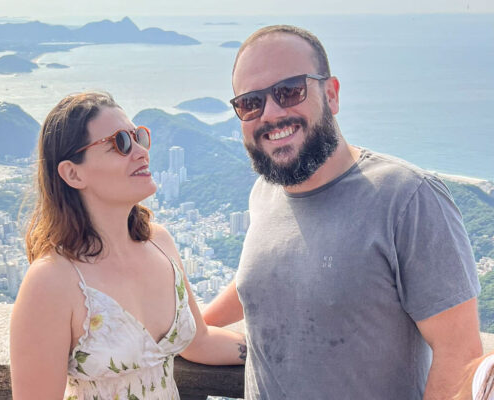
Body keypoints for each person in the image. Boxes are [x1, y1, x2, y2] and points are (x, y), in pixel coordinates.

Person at [202, 25, 483, 399]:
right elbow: (266, 276)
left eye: (289, 91)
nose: (270, 113)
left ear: (331, 95)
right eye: (251, 102)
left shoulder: (409, 199)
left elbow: (460, 357)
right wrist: (187, 324)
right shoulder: (264, 194)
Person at [9, 91, 245, 400]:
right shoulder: (52, 281)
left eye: (139, 137)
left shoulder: (160, 244)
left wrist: (277, 353)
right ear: (73, 173)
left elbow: (198, 341)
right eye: (120, 142)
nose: (141, 152)